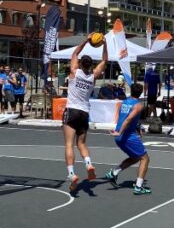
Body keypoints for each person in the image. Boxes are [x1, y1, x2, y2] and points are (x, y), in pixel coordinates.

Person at [63, 37, 108, 193]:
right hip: (84, 112)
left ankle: (71, 174)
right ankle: (88, 164)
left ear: (80, 64)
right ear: (90, 65)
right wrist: (104, 44)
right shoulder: (93, 76)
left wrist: (86, 40)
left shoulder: (74, 72)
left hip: (72, 110)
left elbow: (75, 52)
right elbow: (105, 60)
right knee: (81, 144)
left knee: (69, 144)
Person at [105, 82, 152, 195]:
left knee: (135, 157)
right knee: (145, 159)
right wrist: (120, 132)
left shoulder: (124, 102)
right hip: (127, 135)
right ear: (141, 93)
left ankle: (114, 173)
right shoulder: (138, 105)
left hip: (120, 136)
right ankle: (138, 187)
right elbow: (128, 119)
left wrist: (137, 128)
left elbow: (126, 118)